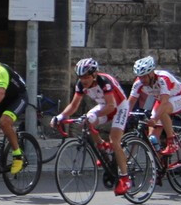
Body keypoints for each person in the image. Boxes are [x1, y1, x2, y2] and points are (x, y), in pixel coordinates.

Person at [50, 57, 133, 196]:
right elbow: (74, 105)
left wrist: (97, 114)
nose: (83, 80)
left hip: (119, 107)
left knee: (114, 140)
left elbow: (112, 105)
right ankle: (102, 148)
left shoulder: (104, 81)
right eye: (81, 77)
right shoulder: (81, 85)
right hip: (104, 105)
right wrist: (60, 116)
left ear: (94, 75)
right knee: (87, 121)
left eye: (86, 77)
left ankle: (125, 178)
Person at [127, 56, 181, 155]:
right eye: (140, 76)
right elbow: (130, 102)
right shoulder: (138, 83)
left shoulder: (163, 78)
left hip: (179, 97)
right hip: (162, 101)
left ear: (152, 73)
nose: (142, 79)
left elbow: (164, 102)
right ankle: (161, 167)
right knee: (152, 138)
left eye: (144, 76)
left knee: (162, 111)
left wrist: (155, 119)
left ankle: (171, 141)